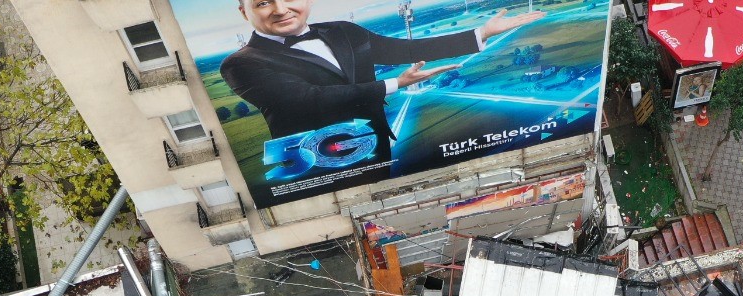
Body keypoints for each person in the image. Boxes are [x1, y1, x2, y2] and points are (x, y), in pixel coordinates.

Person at [220, 0, 545, 180]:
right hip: (317, 168)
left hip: (375, 149)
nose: (280, 8)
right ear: (243, 10)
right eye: (263, 2)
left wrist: (480, 32)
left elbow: (404, 49)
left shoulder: (343, 31)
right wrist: (394, 85)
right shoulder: (240, 63)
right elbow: (307, 102)